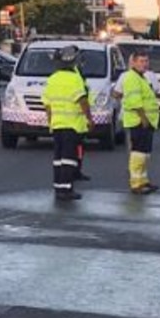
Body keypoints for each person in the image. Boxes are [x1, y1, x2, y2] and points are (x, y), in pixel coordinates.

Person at [42, 45, 92, 202]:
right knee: (69, 159)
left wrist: (50, 121)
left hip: (57, 125)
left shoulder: (52, 79)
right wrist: (90, 118)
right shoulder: (74, 79)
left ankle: (59, 188)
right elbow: (82, 100)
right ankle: (66, 189)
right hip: (72, 125)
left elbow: (47, 104)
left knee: (58, 159)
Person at [119, 49, 160, 194]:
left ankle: (143, 181)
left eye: (146, 61)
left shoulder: (141, 77)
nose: (145, 64)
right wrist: (143, 119)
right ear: (133, 62)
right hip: (138, 121)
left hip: (146, 121)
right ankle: (136, 184)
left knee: (144, 154)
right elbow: (135, 102)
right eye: (141, 61)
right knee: (138, 153)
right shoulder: (131, 78)